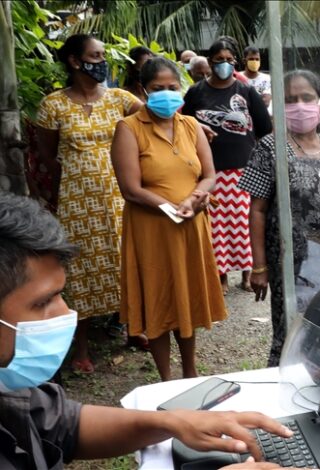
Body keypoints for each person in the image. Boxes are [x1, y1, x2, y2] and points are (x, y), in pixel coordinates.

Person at [0, 192, 296, 470]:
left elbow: (63, 424)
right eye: (41, 302)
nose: (65, 313)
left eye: (59, 295)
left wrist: (171, 423)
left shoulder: (10, 392)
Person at [111, 57, 228, 382]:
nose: (166, 94)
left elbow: (209, 176)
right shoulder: (129, 129)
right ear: (143, 90)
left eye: (172, 88)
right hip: (152, 230)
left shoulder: (191, 126)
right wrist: (171, 207)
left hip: (191, 226)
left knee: (186, 297)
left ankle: (190, 371)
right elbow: (131, 189)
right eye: (157, 89)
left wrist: (193, 199)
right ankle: (166, 378)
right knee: (158, 298)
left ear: (182, 88)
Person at [35, 34, 143, 374]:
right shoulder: (53, 105)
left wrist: (197, 129)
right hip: (77, 202)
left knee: (126, 258)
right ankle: (81, 347)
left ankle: (134, 327)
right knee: (79, 269)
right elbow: (48, 156)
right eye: (95, 55)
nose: (102, 61)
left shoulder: (121, 100)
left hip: (119, 195)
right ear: (74, 61)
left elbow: (159, 121)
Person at [238, 69, 320, 367]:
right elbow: (258, 210)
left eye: (306, 98)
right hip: (292, 263)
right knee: (293, 333)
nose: (299, 105)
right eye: (290, 100)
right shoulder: (269, 148)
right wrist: (259, 267)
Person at [183, 38, 272, 295]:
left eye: (229, 59)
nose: (224, 64)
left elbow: (264, 129)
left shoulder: (245, 91)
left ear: (236, 61)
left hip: (243, 169)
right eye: (218, 59)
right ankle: (220, 278)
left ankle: (247, 275)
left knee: (244, 225)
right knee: (216, 227)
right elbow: (184, 126)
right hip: (209, 172)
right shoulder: (197, 92)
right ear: (210, 61)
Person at [240, 46, 272, 114]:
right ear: (244, 61)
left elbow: (266, 102)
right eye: (251, 59)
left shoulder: (268, 79)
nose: (255, 62)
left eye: (257, 59)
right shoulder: (237, 78)